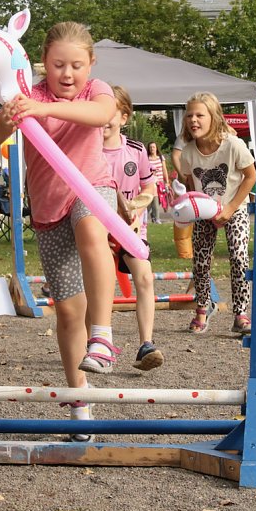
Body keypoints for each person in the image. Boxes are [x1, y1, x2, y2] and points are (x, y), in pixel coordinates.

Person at [0, 21, 118, 441]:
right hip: (48, 211)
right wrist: (5, 122)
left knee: (92, 233)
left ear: (91, 64)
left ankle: (103, 335)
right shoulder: (26, 94)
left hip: (92, 188)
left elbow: (102, 115)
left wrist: (45, 110)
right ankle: (80, 406)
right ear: (43, 64)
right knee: (69, 312)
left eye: (76, 65)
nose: (67, 74)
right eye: (58, 65)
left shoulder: (96, 90)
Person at [178, 92, 256, 335]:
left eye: (200, 115)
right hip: (204, 213)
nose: (193, 120)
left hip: (234, 208)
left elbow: (251, 176)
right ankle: (203, 307)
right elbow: (191, 185)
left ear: (213, 117)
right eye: (189, 115)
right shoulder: (188, 152)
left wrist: (231, 208)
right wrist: (192, 207)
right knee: (200, 261)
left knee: (238, 257)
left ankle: (241, 313)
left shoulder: (233, 145)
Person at [103, 86, 164, 371]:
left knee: (145, 278)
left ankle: (146, 344)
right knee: (100, 285)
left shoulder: (136, 151)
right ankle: (98, 342)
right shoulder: (86, 151)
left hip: (131, 229)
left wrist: (136, 209)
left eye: (109, 112)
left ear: (124, 117)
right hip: (96, 230)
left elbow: (149, 186)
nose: (103, 119)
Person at [169, 145, 194, 260]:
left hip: (195, 184)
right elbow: (175, 155)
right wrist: (183, 176)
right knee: (183, 218)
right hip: (184, 186)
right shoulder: (184, 138)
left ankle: (193, 251)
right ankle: (185, 253)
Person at [146, 141, 170, 223]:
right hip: (151, 183)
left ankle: (151, 215)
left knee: (160, 199)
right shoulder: (147, 158)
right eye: (150, 147)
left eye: (153, 147)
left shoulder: (160, 157)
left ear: (156, 148)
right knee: (154, 199)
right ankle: (156, 218)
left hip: (160, 182)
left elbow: (164, 169)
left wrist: (167, 181)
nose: (152, 149)